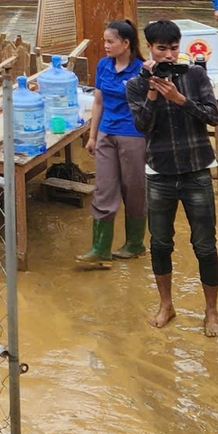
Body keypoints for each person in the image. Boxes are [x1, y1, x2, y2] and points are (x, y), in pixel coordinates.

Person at [125, 20, 218, 337]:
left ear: (179, 47)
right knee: (160, 243)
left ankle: (211, 312)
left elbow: (212, 116)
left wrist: (182, 100)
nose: (168, 55)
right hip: (160, 173)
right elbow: (142, 127)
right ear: (149, 49)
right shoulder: (137, 85)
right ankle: (166, 305)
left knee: (205, 246)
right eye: (161, 48)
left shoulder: (194, 75)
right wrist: (154, 95)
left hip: (196, 170)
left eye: (172, 48)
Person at [77, 19, 146, 268]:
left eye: (110, 41)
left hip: (134, 136)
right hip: (106, 133)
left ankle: (135, 244)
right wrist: (93, 135)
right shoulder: (104, 66)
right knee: (104, 188)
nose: (105, 46)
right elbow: (98, 101)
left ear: (126, 43)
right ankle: (100, 248)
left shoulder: (142, 70)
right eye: (105, 41)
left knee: (134, 189)